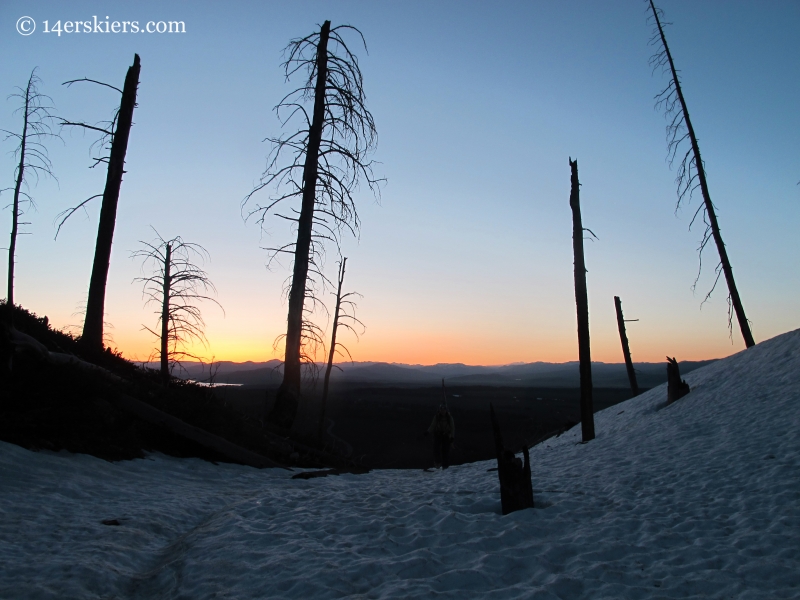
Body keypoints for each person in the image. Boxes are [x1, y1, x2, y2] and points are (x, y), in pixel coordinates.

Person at [425, 403, 455, 469]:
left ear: (446, 410)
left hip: (446, 435)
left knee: (445, 450)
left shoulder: (449, 418)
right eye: (441, 410)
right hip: (437, 435)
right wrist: (427, 432)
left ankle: (445, 465)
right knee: (436, 449)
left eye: (444, 410)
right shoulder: (437, 417)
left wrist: (452, 437)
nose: (443, 411)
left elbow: (452, 428)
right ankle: (437, 463)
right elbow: (433, 426)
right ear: (439, 410)